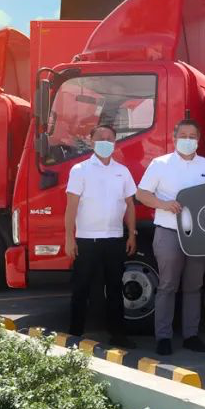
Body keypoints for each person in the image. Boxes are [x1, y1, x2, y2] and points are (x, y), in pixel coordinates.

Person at [136, 119, 205, 356]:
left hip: (198, 236)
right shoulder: (160, 164)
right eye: (183, 135)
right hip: (169, 232)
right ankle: (163, 337)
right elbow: (141, 194)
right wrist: (164, 204)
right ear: (174, 138)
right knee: (167, 286)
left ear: (198, 140)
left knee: (194, 286)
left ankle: (191, 335)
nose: (188, 140)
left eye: (193, 136)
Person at [64, 124, 137, 348]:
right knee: (81, 288)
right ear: (91, 140)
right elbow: (71, 207)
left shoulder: (122, 171)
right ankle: (75, 334)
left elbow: (130, 205)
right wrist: (69, 238)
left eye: (109, 138)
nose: (105, 142)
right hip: (87, 240)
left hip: (115, 239)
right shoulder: (80, 170)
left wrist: (132, 234)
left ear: (115, 142)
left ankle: (118, 335)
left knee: (115, 288)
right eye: (100, 138)